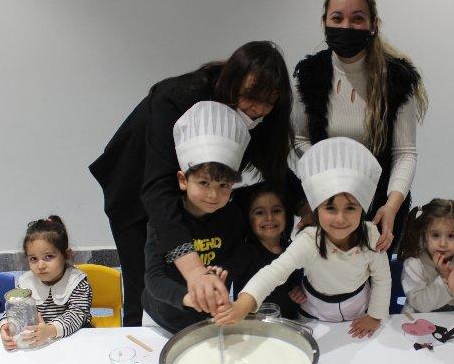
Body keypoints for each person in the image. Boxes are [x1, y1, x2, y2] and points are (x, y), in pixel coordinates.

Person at [89, 41, 294, 326]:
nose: (258, 109)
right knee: (143, 287)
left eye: (269, 102)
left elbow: (276, 167)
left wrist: (310, 208)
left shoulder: (259, 118)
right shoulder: (175, 98)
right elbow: (157, 191)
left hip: (191, 196)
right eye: (251, 97)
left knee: (196, 289)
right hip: (136, 190)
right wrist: (194, 273)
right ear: (231, 82)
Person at [292, 0, 427, 253]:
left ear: (373, 24)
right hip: (328, 204)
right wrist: (327, 186)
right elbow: (300, 140)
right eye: (337, 18)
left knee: (376, 285)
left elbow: (405, 153)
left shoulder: (398, 79)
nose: (345, 26)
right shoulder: (309, 74)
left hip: (381, 208)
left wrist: (391, 206)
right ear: (324, 22)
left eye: (357, 19)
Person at [219, 137, 391, 339]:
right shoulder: (309, 240)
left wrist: (375, 316)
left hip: (358, 309)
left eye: (350, 208)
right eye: (330, 208)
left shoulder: (370, 234)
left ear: (362, 209)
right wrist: (242, 304)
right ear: (316, 209)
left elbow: (382, 277)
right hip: (313, 312)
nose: (340, 218)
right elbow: (274, 272)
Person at [140, 101, 248, 334]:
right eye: (204, 182)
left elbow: (238, 256)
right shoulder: (167, 220)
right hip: (161, 316)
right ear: (182, 180)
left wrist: (224, 269)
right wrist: (189, 297)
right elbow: (153, 280)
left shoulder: (233, 216)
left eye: (223, 186)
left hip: (207, 316)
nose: (213, 194)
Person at [0, 216, 92, 350]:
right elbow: (14, 311)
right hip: (39, 345)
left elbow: (78, 314)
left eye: (49, 257)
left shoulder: (76, 281)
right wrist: (5, 326)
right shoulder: (26, 282)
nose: (40, 265)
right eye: (34, 259)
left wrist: (50, 330)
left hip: (74, 342)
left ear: (66, 255)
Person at [225, 183, 305, 319]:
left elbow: (297, 283)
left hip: (290, 324)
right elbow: (226, 273)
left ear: (287, 214)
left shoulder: (293, 249)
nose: (269, 217)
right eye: (259, 212)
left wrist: (298, 291)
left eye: (276, 210)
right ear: (248, 219)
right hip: (253, 330)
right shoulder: (244, 253)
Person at [398, 199, 454, 313]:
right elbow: (419, 305)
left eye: (451, 236)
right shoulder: (414, 264)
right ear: (424, 235)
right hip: (416, 321)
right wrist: (444, 280)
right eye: (435, 235)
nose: (443, 243)